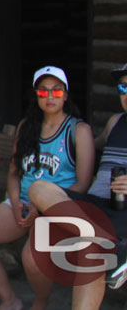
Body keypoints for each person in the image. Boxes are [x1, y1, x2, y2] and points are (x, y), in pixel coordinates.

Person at [0, 65, 94, 310]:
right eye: (43, 92)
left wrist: (42, 209)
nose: (50, 96)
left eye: (56, 91)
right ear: (36, 96)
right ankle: (10, 300)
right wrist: (15, 203)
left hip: (58, 208)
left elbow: (82, 184)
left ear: (66, 95)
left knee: (31, 260)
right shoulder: (27, 127)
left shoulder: (78, 130)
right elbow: (14, 173)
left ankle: (41, 302)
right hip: (22, 204)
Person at [27, 62, 127, 309]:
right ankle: (104, 242)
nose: (126, 93)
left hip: (123, 212)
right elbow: (90, 143)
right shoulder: (116, 121)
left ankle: (101, 243)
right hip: (94, 210)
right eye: (123, 87)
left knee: (90, 253)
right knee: (39, 188)